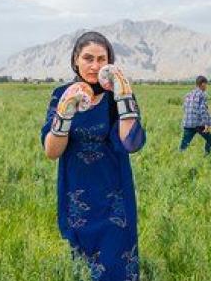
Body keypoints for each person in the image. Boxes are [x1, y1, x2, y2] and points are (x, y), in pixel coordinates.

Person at [41, 31, 146, 281]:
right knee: (82, 269)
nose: (95, 65)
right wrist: (65, 112)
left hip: (115, 201)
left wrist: (124, 97)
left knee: (117, 267)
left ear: (110, 62)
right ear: (76, 60)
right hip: (77, 199)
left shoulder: (116, 97)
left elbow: (131, 143)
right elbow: (51, 151)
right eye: (88, 58)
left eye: (102, 59)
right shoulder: (61, 94)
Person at [179, 75, 211, 156]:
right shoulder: (202, 95)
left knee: (184, 144)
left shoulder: (188, 94)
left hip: (187, 123)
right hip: (198, 124)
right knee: (209, 139)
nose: (206, 86)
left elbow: (184, 107)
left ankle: (179, 159)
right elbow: (203, 110)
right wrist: (206, 124)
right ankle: (207, 156)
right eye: (206, 84)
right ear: (202, 84)